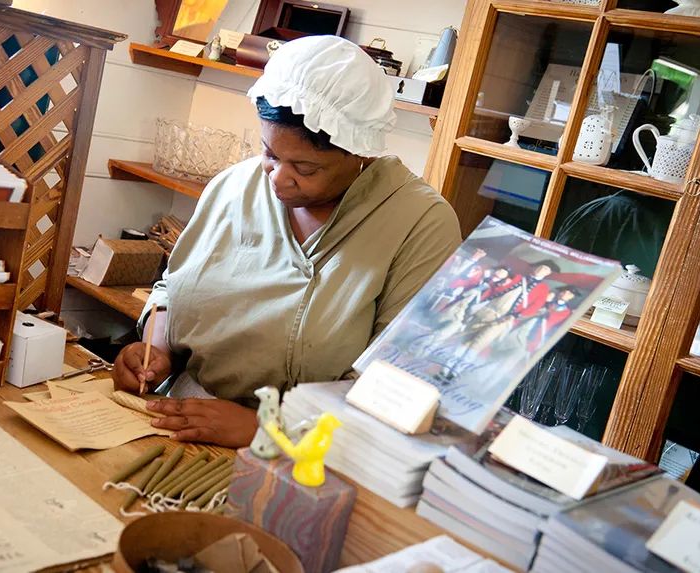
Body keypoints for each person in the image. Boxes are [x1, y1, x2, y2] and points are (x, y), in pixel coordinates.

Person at [111, 36, 462, 447]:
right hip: (183, 417)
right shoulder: (233, 187)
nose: (277, 177)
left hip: (313, 451)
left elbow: (401, 384)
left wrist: (267, 431)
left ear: (359, 153)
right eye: (269, 152)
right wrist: (155, 351)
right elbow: (174, 288)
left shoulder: (419, 223)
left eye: (305, 167)